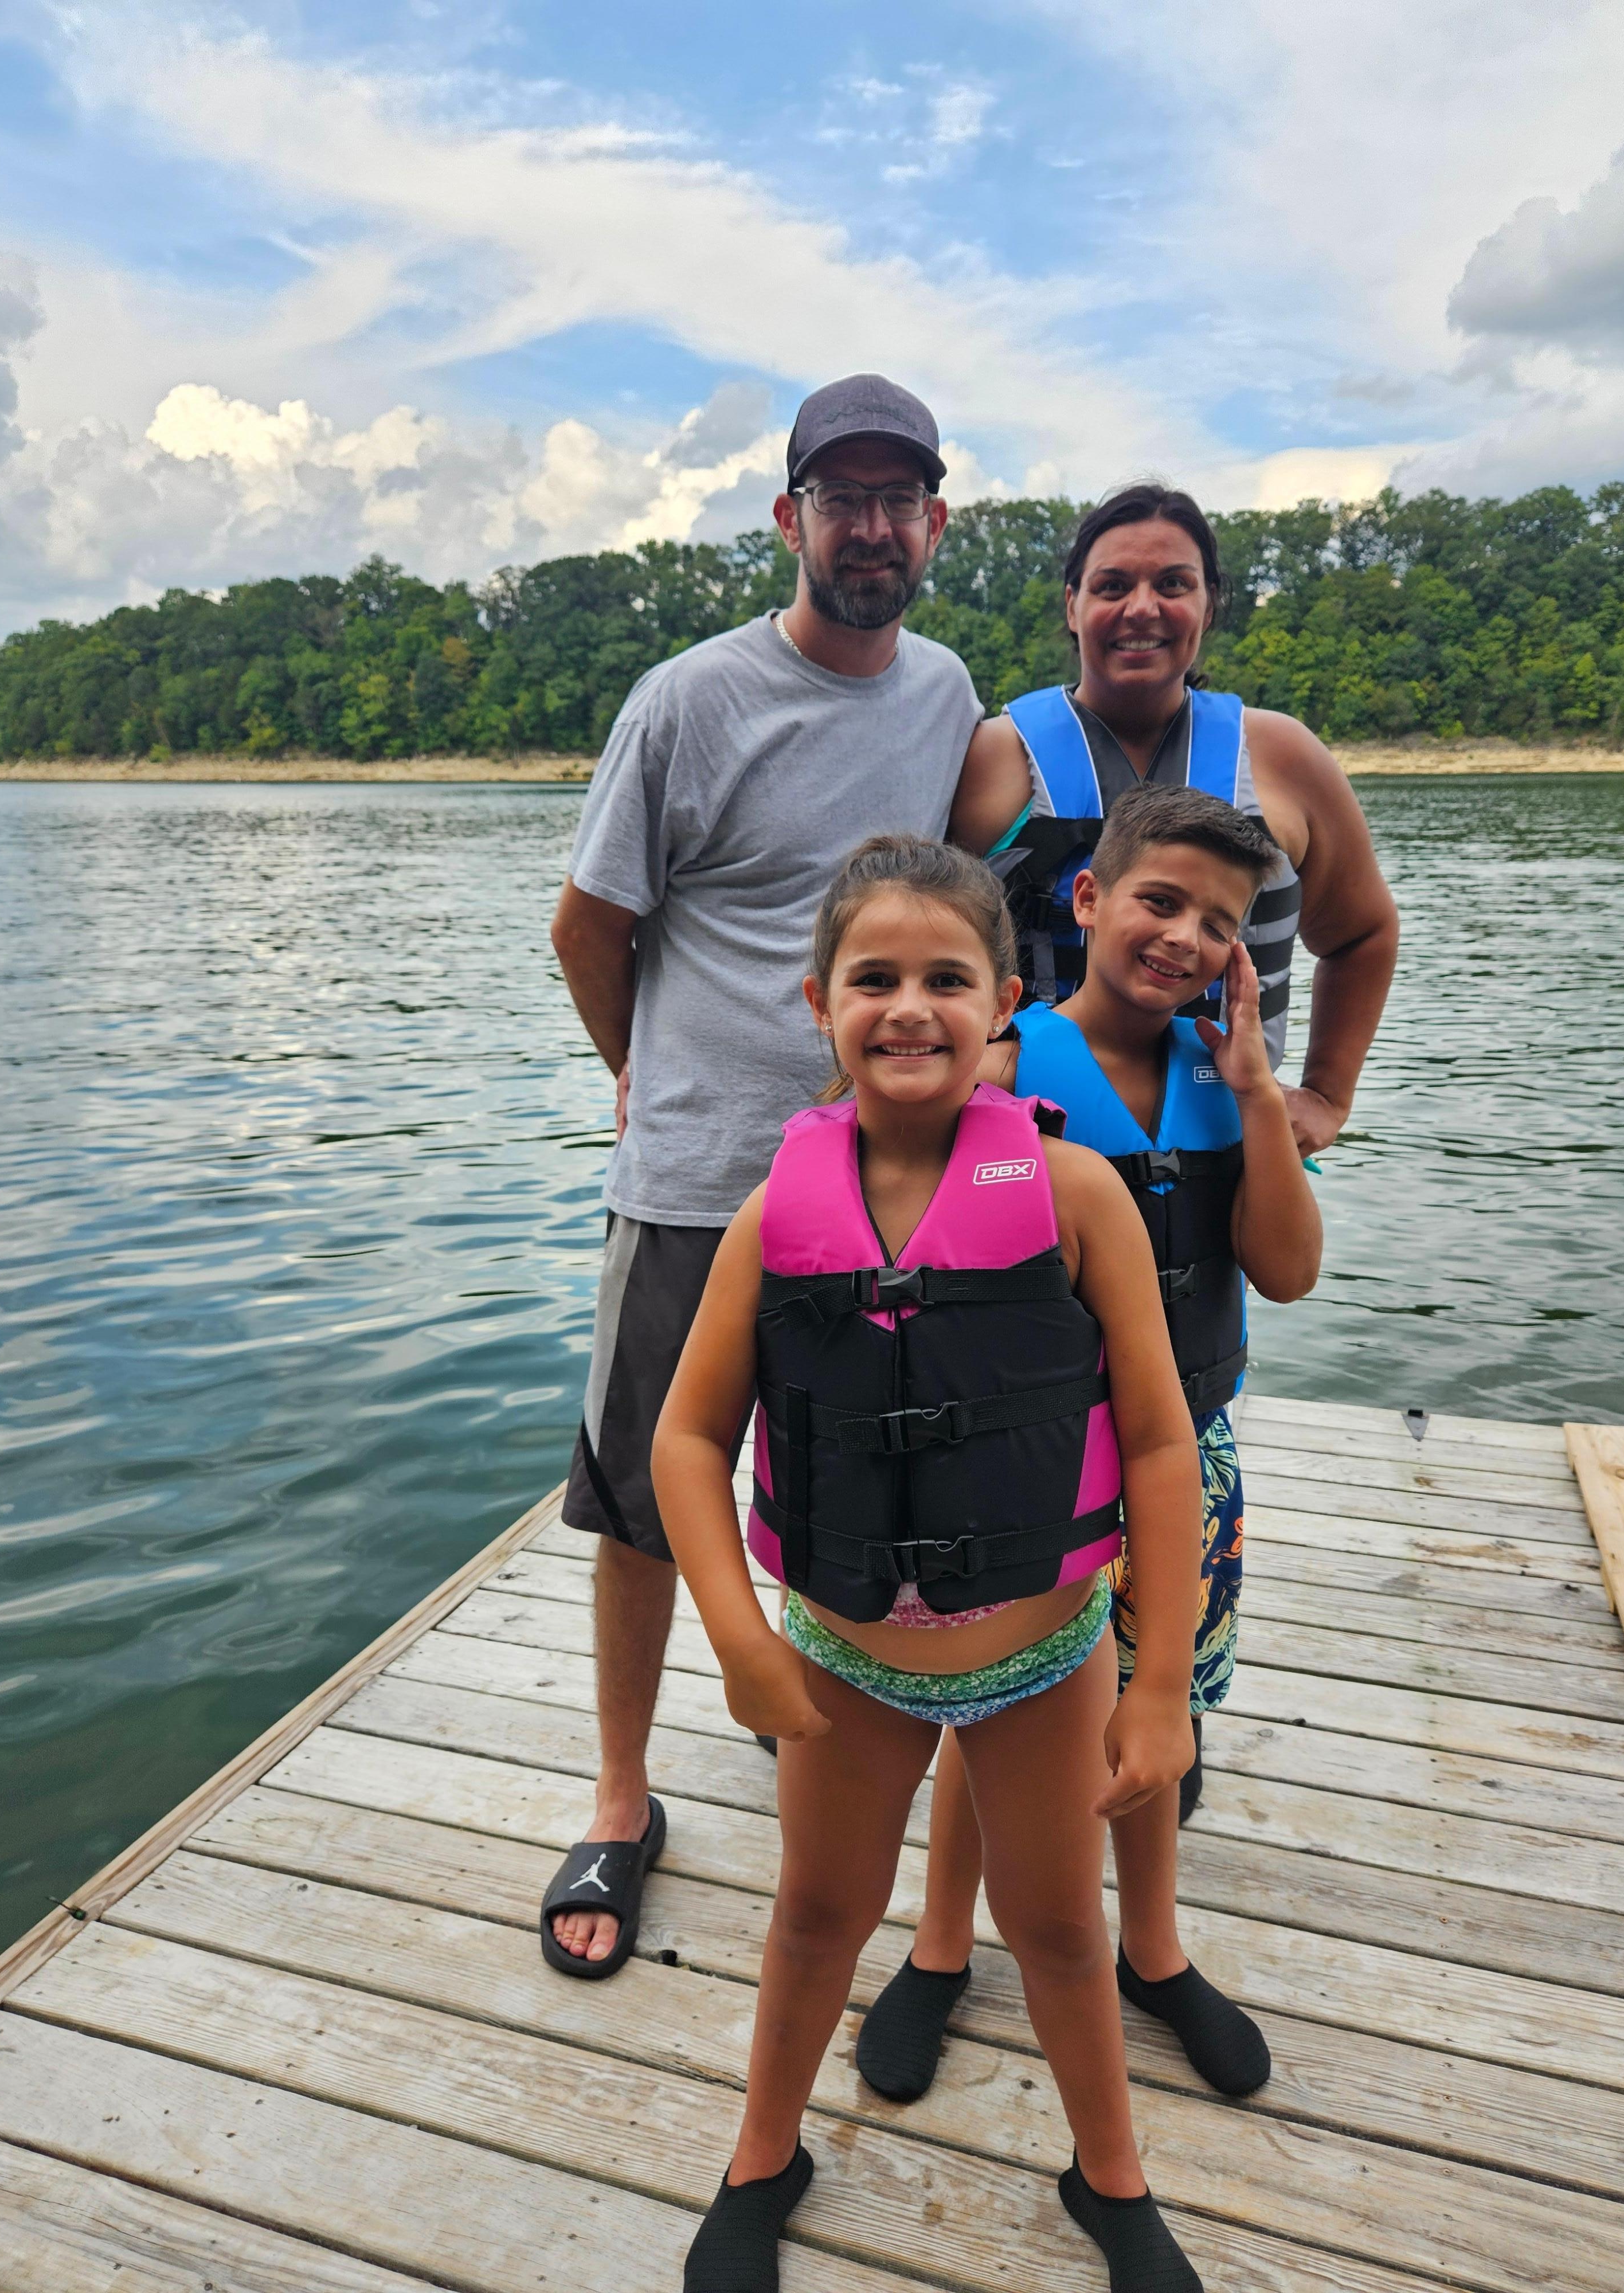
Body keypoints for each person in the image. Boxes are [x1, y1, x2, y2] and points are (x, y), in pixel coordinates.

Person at [655, 836, 1207, 2293]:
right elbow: (684, 1442)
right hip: (842, 1667)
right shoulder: (776, 1214)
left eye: (944, 978)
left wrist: (1155, 1685)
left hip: (1044, 1660)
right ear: (816, 1001)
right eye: (872, 979)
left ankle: (1109, 2175)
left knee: (1058, 1934)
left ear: (1004, 1000)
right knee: (815, 1919)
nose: (909, 1009)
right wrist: (738, 1633)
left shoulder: (1078, 1192)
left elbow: (1156, 1443)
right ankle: (762, 2154)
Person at [538, 377, 989, 1977]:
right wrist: (637, 1075)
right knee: (643, 1495)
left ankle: (815, 1721)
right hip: (694, 1179)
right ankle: (617, 1793)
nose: (869, 525)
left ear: (936, 523)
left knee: (856, 1473)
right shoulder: (687, 700)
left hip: (877, 1183)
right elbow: (592, 925)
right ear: (789, 518)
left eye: (899, 496)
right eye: (838, 495)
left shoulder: (947, 697)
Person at [856, 783, 1321, 2111]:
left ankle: (1152, 1946)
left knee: (1151, 1708)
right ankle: (941, 1946)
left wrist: (1256, 1093)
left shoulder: (1225, 1087)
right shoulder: (1002, 1072)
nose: (1178, 935)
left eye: (1215, 921)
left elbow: (1283, 1271)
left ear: (1240, 951)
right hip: (1029, 1464)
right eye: (1156, 900)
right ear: (1087, 900)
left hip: (1188, 1451)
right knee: (986, 1705)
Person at [948, 482, 1398, 1155]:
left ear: (1208, 605)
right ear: (1072, 606)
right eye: (1112, 585)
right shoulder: (991, 758)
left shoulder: (1285, 759)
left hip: (1222, 1157)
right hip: (1028, 1156)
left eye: (1173, 584)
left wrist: (1328, 1095)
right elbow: (913, 943)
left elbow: (1362, 933)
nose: (1142, 608)